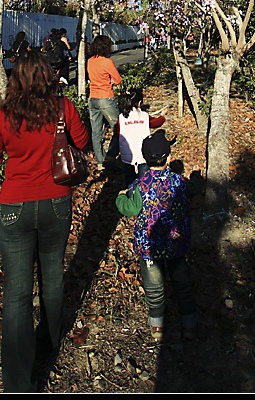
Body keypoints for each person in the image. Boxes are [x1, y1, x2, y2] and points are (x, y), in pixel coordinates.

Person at [0, 50, 89, 393]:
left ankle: (17, 381)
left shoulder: (5, 115)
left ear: (16, 80)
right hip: (56, 202)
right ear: (48, 76)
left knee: (16, 293)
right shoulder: (63, 108)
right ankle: (48, 344)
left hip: (14, 206)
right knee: (53, 275)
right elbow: (83, 143)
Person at [116, 129, 199, 343]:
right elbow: (193, 190)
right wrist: (198, 179)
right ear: (169, 158)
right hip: (176, 244)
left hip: (149, 247)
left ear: (144, 159)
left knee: (154, 289)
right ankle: (189, 324)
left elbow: (130, 209)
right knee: (182, 284)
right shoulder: (179, 182)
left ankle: (157, 326)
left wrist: (120, 199)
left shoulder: (139, 186)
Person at [108, 88, 166, 185]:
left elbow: (117, 134)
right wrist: (162, 116)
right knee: (144, 180)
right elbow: (156, 123)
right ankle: (143, 196)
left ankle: (131, 196)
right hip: (142, 154)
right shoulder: (144, 116)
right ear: (139, 103)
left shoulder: (121, 118)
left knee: (130, 180)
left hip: (127, 156)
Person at [87, 34, 122, 172]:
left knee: (96, 131)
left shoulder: (90, 61)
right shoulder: (107, 62)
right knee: (119, 128)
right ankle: (111, 157)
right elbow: (118, 79)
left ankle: (100, 161)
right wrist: (111, 82)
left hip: (92, 98)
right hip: (105, 98)